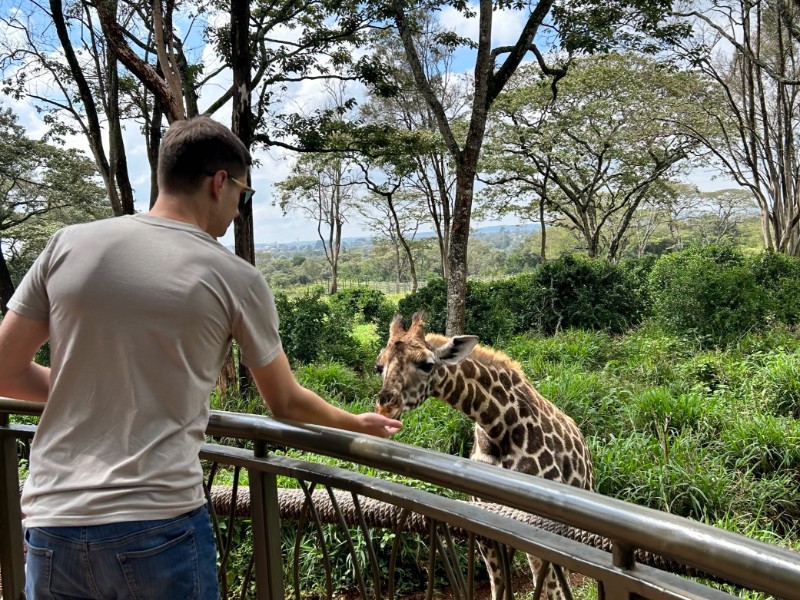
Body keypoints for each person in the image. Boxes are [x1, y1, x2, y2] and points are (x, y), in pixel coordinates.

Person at [0, 115, 403, 600]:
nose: (239, 211)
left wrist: (86, 389)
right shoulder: (235, 277)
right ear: (219, 183)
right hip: (157, 524)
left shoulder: (69, 244)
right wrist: (355, 424)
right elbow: (285, 402)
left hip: (52, 527)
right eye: (243, 196)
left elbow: (5, 371)